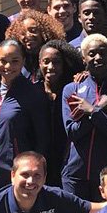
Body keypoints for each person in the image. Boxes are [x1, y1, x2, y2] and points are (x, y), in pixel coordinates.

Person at [61, 34, 107, 201]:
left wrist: (92, 111)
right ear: (83, 57)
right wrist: (101, 107)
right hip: (75, 174)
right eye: (92, 53)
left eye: (103, 53)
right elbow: (72, 132)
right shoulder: (71, 90)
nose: (98, 58)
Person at [0, 38, 50, 195]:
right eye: (3, 60)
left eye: (15, 61)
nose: (8, 66)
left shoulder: (33, 93)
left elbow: (43, 138)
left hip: (18, 176)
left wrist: (35, 174)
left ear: (22, 61)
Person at [36, 40, 81, 185]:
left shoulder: (72, 91)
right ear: (39, 63)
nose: (51, 67)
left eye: (56, 62)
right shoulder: (33, 91)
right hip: (40, 163)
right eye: (46, 61)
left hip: (67, 161)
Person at [7, 8, 65, 81]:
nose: (28, 35)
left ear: (44, 32)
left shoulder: (58, 55)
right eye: (22, 33)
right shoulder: (18, 63)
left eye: (33, 30)